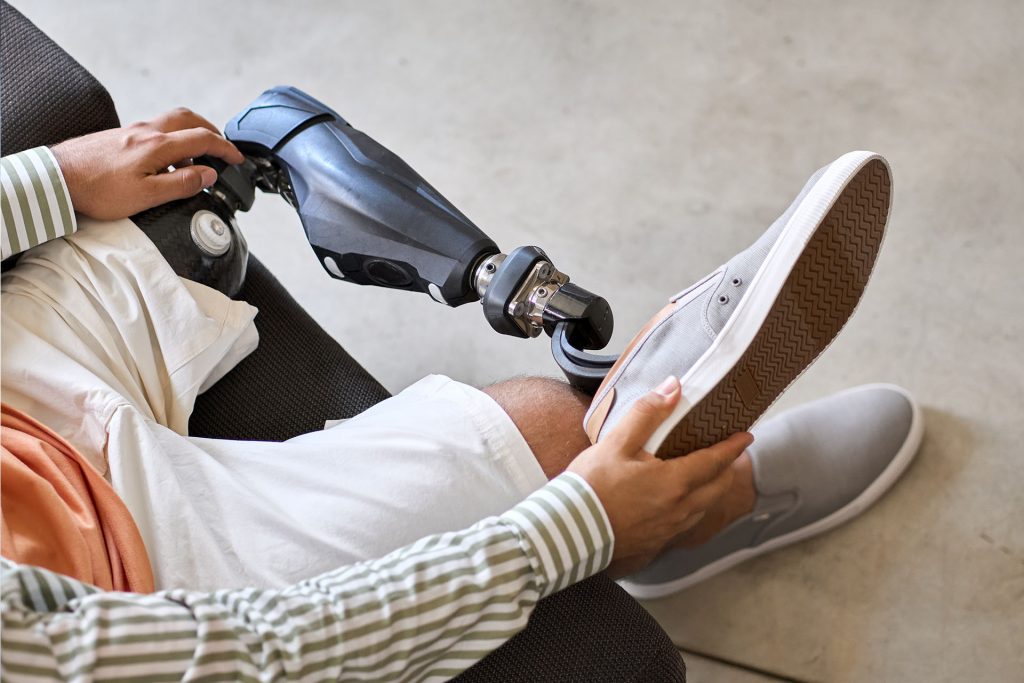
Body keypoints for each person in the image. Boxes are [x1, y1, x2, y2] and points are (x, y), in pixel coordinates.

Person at [0, 109, 922, 681]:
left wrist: (55, 178)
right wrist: (575, 529)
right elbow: (255, 657)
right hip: (128, 591)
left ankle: (654, 455)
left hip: (20, 398)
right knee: (554, 430)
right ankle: (702, 504)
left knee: (187, 210)